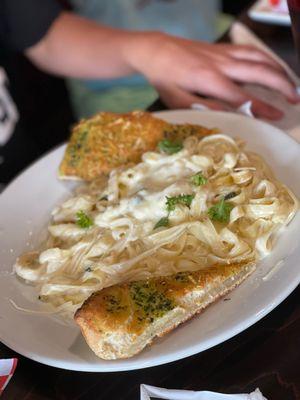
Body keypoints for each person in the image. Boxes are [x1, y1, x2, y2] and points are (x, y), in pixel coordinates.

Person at [0, 0, 298, 186]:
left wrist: (154, 52)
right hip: (114, 90)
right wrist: (151, 53)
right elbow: (42, 37)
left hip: (216, 41)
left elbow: (37, 31)